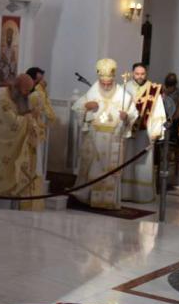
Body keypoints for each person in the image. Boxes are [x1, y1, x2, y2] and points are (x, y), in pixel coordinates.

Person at [71, 59, 137, 209]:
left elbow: (133, 114)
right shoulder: (93, 91)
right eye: (103, 83)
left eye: (109, 83)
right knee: (92, 168)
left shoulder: (123, 95)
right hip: (94, 137)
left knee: (110, 171)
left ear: (113, 79)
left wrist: (126, 117)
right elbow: (78, 107)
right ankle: (88, 199)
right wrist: (87, 106)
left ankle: (108, 202)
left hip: (113, 139)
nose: (106, 86)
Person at [0, 74, 44, 210]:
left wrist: (31, 117)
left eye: (29, 91)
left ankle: (12, 212)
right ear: (16, 87)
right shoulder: (3, 101)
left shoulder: (16, 98)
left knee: (14, 182)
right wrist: (29, 119)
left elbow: (23, 116)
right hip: (2, 150)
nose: (27, 95)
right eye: (26, 91)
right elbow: (12, 125)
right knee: (2, 182)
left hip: (13, 151)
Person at [122, 63, 166, 203]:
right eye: (137, 74)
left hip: (145, 131)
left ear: (146, 74)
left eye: (142, 74)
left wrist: (156, 131)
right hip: (128, 130)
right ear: (132, 73)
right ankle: (125, 193)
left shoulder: (153, 89)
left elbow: (158, 111)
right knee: (127, 161)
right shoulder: (125, 87)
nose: (140, 76)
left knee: (143, 163)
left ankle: (142, 195)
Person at [163, 72, 179, 144]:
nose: (170, 89)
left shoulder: (178, 92)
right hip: (163, 116)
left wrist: (174, 117)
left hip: (174, 117)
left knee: (173, 134)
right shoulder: (163, 90)